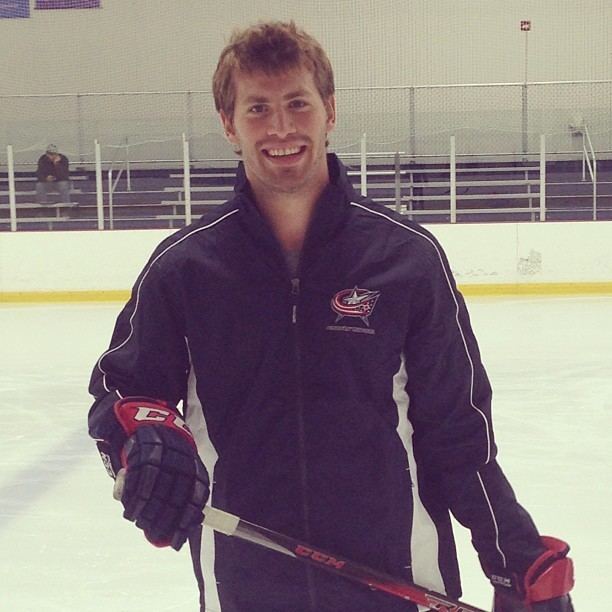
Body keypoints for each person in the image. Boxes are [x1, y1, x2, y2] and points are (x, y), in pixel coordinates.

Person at [88, 21, 575, 612]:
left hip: (402, 587)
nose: (282, 127)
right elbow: (123, 392)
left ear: (330, 111)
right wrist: (143, 441)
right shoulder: (186, 270)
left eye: (298, 103)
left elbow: (459, 435)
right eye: (258, 108)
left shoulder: (405, 259)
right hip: (245, 590)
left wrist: (516, 562)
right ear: (229, 125)